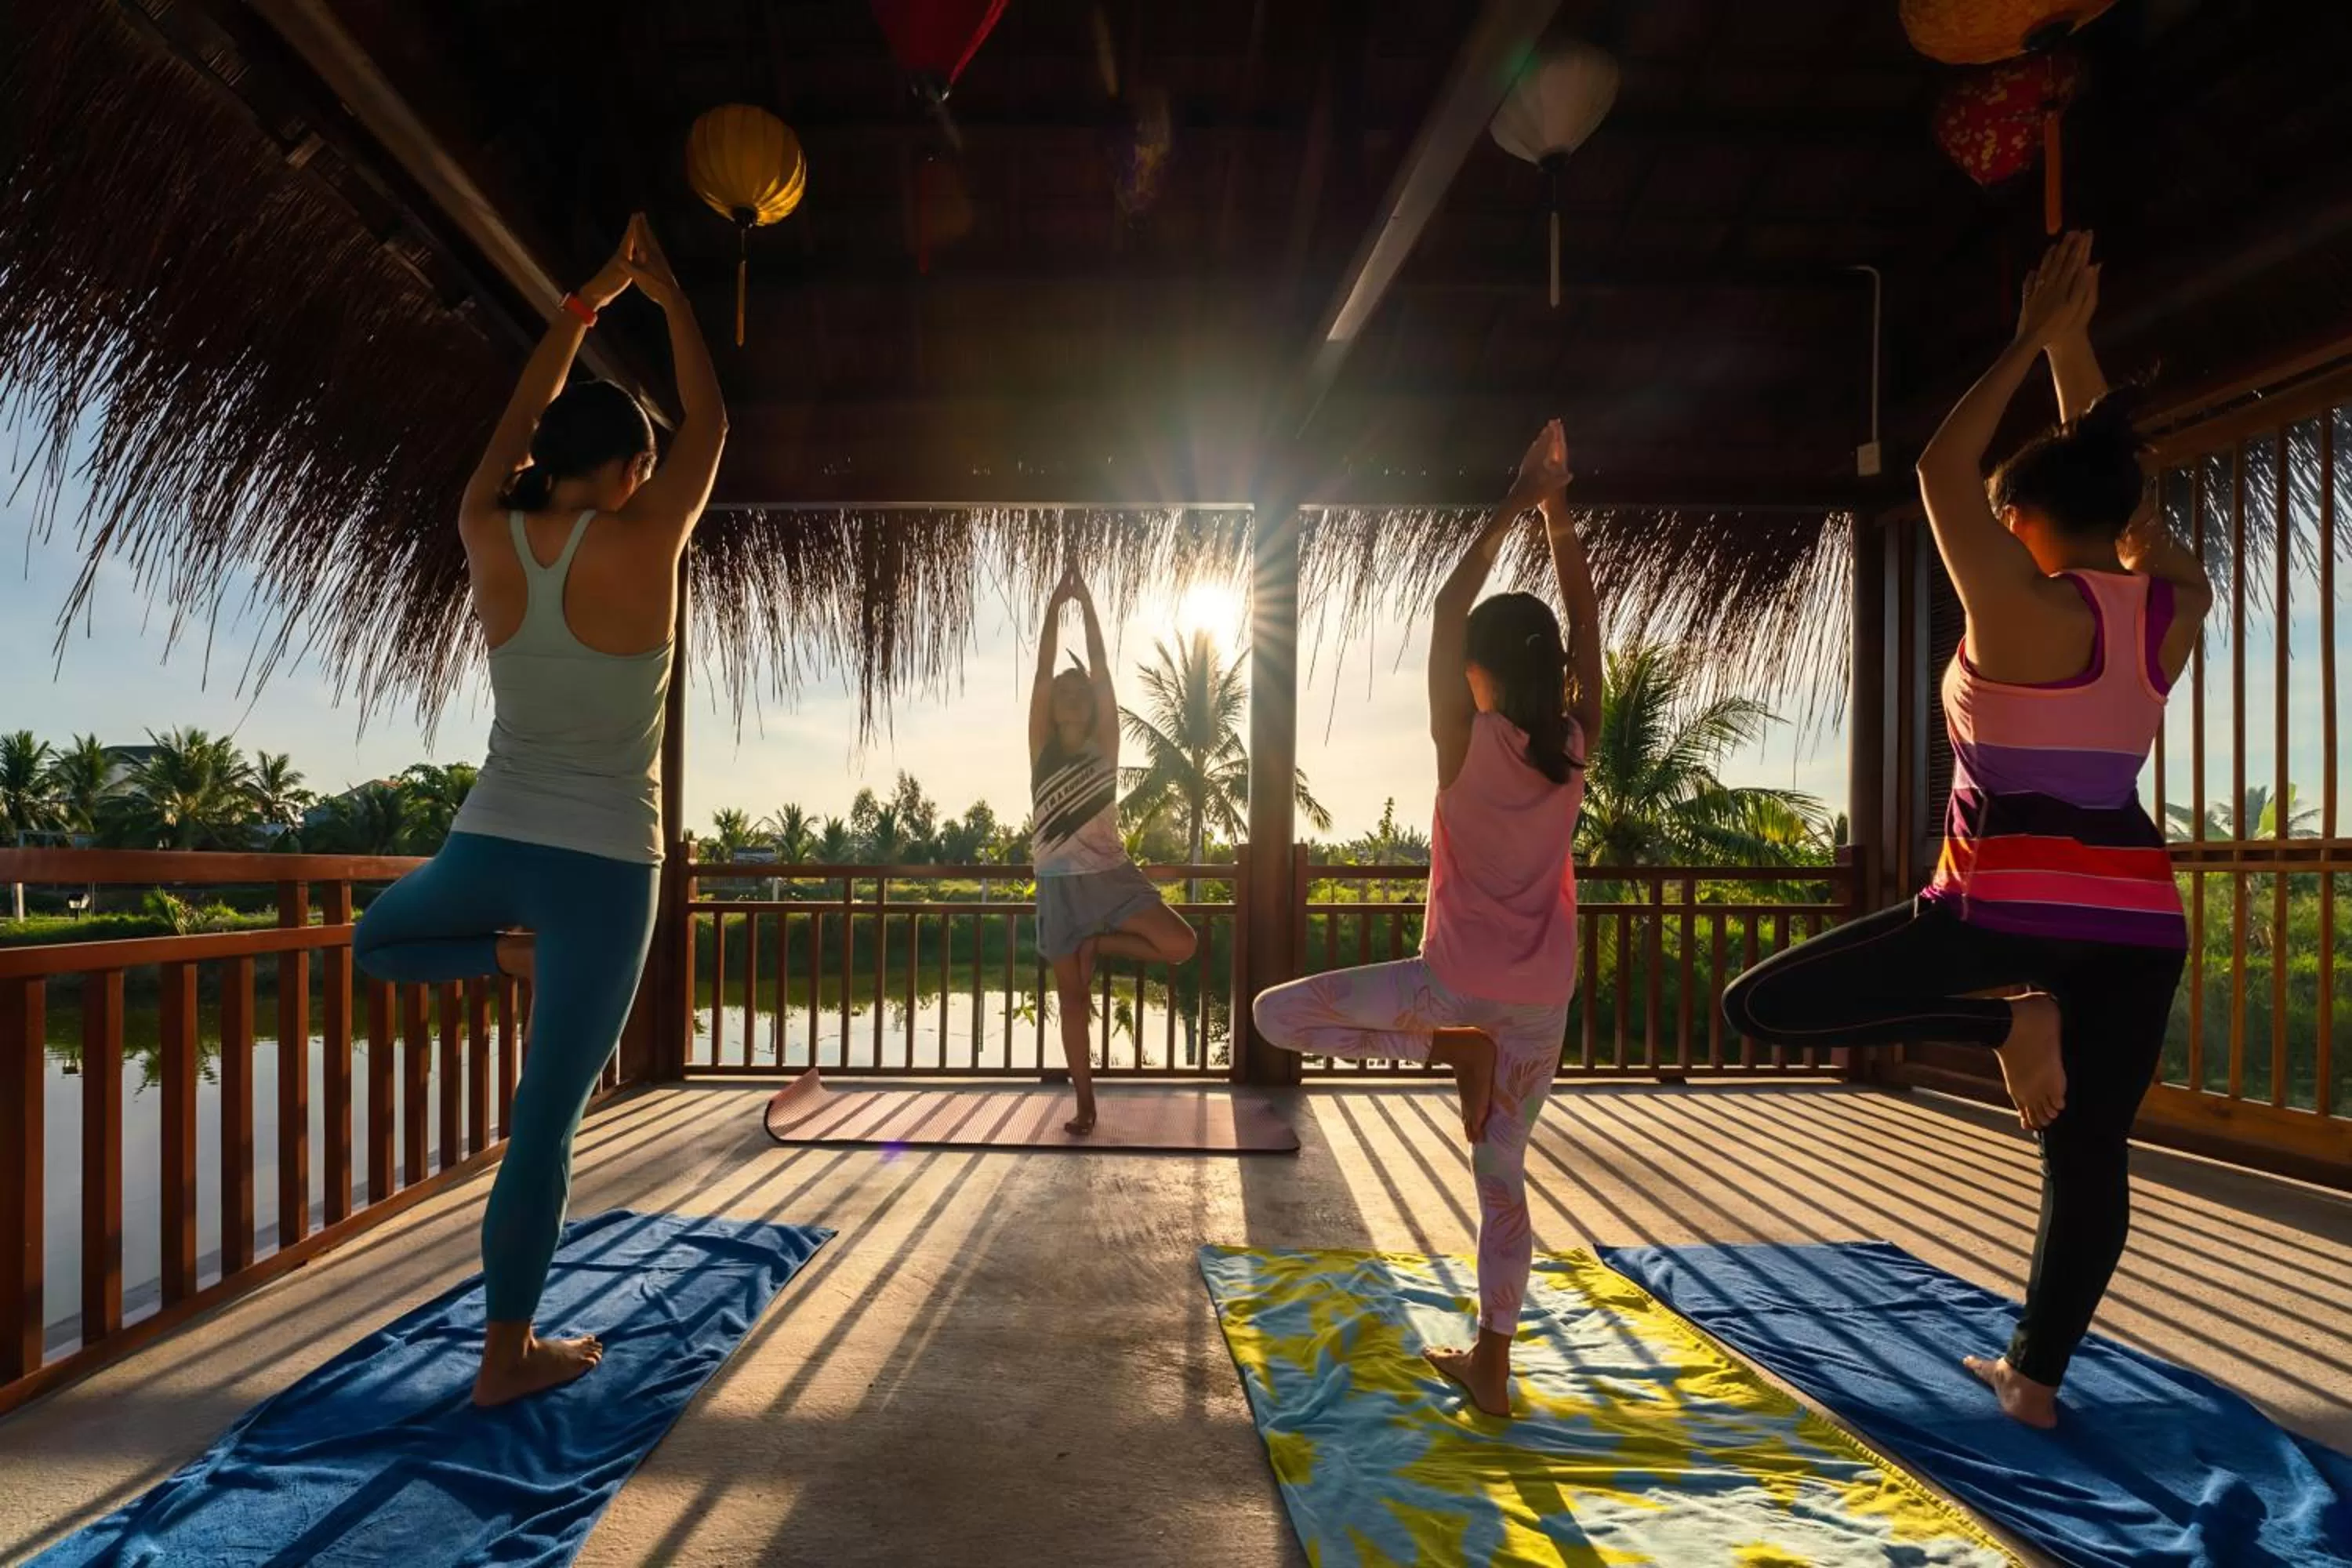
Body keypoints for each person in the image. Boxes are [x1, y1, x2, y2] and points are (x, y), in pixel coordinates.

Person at [1721, 232, 2209, 1429]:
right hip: (2138, 924)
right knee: (2087, 1153)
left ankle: (2005, 1016)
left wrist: (2028, 338)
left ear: (2032, 516)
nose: (2001, 526)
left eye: (2012, 515)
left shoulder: (2021, 606)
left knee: (1758, 1006)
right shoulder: (2169, 609)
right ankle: (2033, 1382)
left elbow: (1943, 470)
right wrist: (2073, 348)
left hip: (1998, 911)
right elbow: (2127, 502)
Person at [353, 214, 726, 1406]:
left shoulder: (486, 528)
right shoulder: (651, 539)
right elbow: (715, 428)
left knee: (375, 945)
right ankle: (506, 1359)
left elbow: (518, 420)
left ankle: (504, 951)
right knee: (545, 1122)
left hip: (492, 840)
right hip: (608, 868)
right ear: (629, 473)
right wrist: (668, 299)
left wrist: (585, 306)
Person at [1252, 420, 1599, 1418]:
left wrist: (1515, 500)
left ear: (1480, 674)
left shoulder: (1463, 739)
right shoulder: (1575, 746)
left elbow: (1451, 601)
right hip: (1538, 1008)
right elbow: (1581, 626)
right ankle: (1492, 1364)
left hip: (1449, 989)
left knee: (1280, 1014)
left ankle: (1448, 1050)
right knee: (1502, 1181)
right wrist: (1560, 518)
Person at [1029, 564, 1199, 1134]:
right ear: (1052, 708)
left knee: (1181, 943)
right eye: (1064, 693)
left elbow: (1101, 673)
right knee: (1072, 1002)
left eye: (1080, 694)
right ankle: (1085, 1103)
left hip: (1111, 874)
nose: (1073, 696)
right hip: (1058, 885)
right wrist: (1055, 610)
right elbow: (1040, 672)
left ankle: (1102, 940)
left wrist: (1090, 610)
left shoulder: (1105, 745)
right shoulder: (1041, 749)